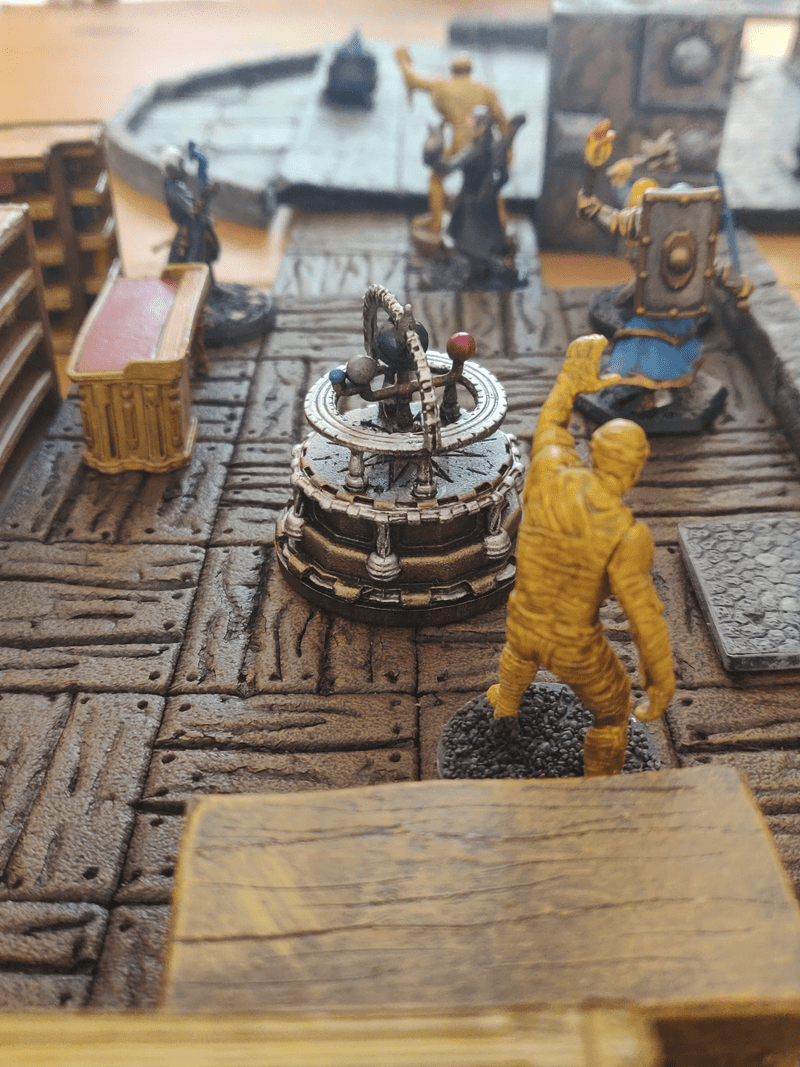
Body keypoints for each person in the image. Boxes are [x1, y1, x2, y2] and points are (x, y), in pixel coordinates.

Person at [487, 334, 675, 777]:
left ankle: (505, 708)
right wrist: (660, 679)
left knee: (519, 655)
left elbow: (551, 422)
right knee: (613, 711)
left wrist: (570, 379)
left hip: (522, 620)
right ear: (636, 467)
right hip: (574, 645)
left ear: (592, 450)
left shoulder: (550, 469)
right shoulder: (627, 535)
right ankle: (599, 786)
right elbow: (643, 617)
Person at [395, 48, 509, 240]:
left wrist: (402, 60)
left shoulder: (443, 86)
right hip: (481, 146)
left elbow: (412, 79)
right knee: (487, 184)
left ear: (452, 69)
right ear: (470, 69)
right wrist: (507, 149)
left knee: (436, 179)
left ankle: (436, 222)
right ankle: (501, 225)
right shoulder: (485, 91)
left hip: (463, 145)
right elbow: (503, 122)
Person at [160, 145, 220, 282]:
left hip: (189, 226)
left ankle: (206, 283)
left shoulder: (174, 185)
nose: (184, 169)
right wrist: (206, 195)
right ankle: (192, 283)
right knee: (194, 259)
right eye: (181, 165)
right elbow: (193, 209)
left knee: (201, 257)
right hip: (191, 228)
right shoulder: (174, 188)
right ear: (172, 168)